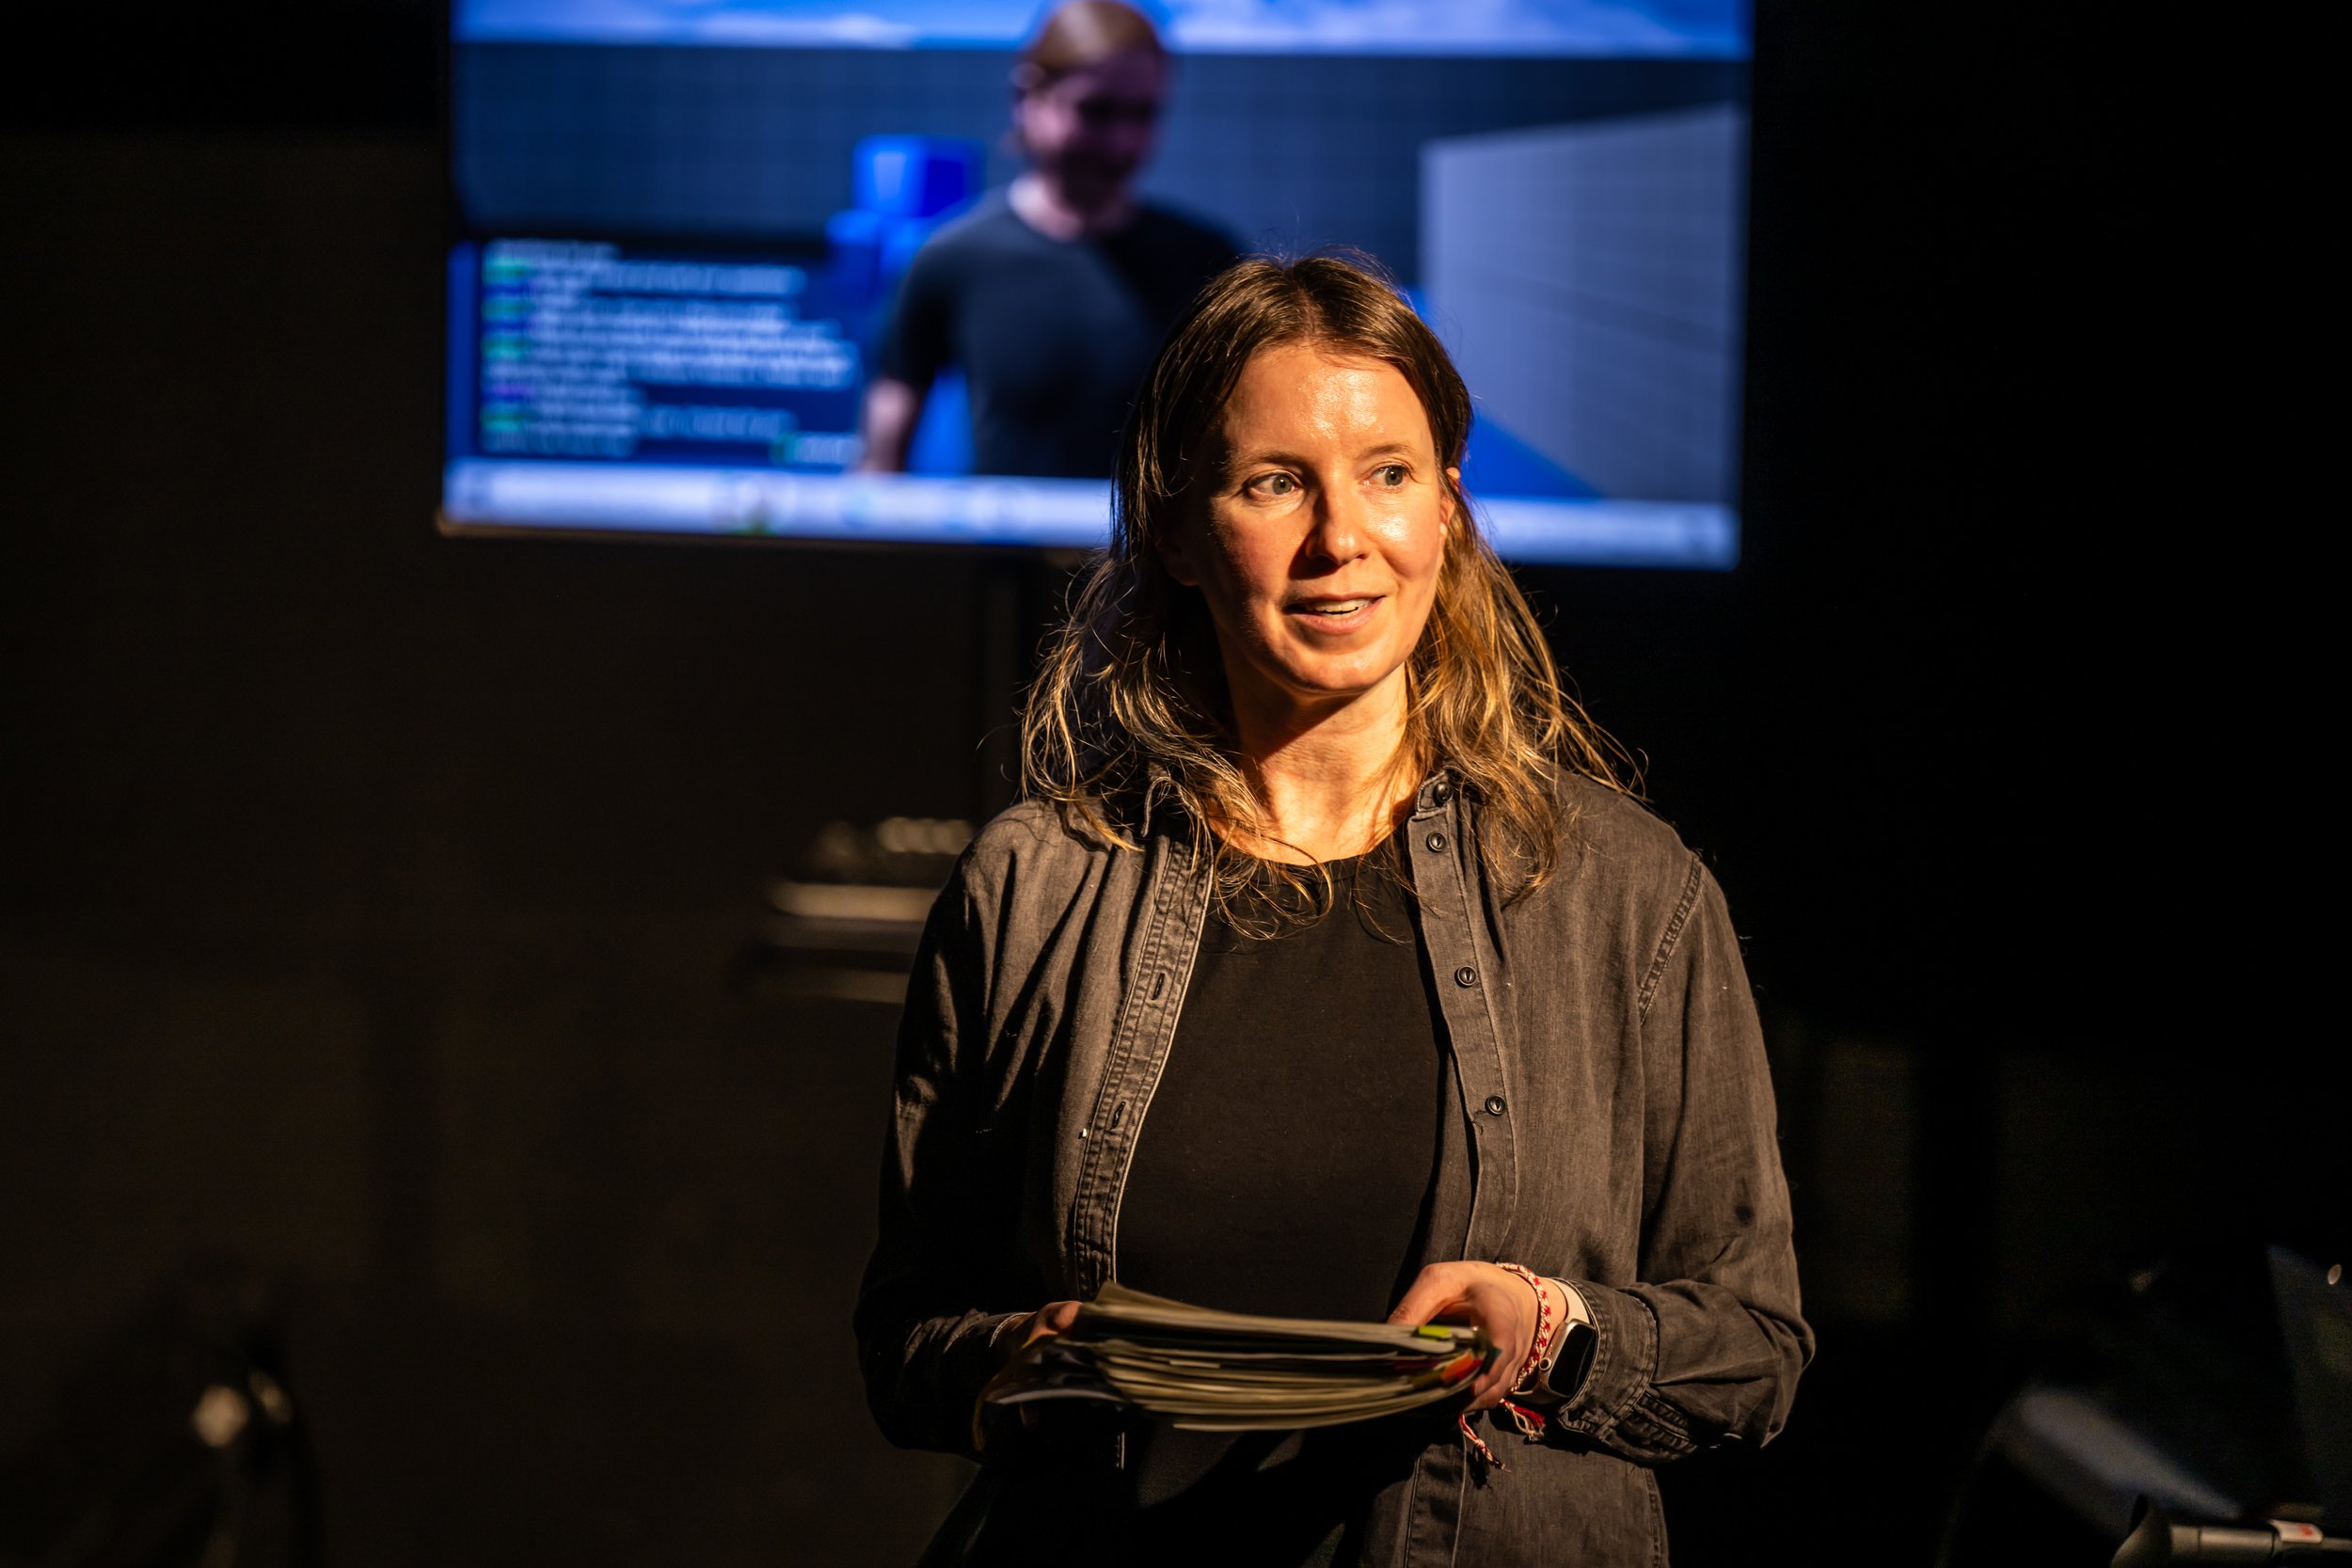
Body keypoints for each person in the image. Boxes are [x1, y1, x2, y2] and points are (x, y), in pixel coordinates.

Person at [854, 256, 1810, 1566]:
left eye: (1389, 472)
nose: (1340, 535)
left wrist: (1551, 1330)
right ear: (1181, 532)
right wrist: (1021, 1357)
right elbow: (909, 1338)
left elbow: (1756, 1350)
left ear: (1451, 510)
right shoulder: (1031, 887)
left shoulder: (1625, 896)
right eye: (1273, 481)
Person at [857, 0, 1237, 481]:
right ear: (1028, 97)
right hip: (1001, 554)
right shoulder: (953, 258)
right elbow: (879, 463)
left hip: (1153, 558)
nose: (1121, 143)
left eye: (1142, 115)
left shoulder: (1205, 262)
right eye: (1096, 111)